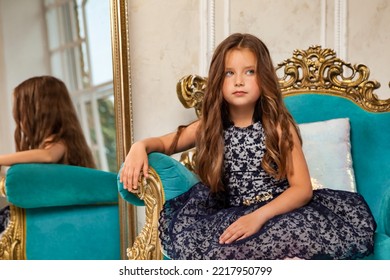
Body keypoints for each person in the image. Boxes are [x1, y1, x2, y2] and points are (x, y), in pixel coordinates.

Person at [120, 33, 376, 260]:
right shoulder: (209, 126)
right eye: (229, 73)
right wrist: (138, 147)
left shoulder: (278, 126)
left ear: (263, 78)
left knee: (287, 233)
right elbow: (164, 144)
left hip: (277, 210)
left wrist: (258, 217)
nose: (239, 81)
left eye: (249, 71)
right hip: (232, 211)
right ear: (219, 80)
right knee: (221, 244)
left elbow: (302, 190)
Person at [0, 75, 96, 234]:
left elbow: (48, 156)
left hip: (59, 221)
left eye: (20, 112)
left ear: (36, 112)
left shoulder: (62, 143)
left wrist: (2, 159)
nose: (19, 121)